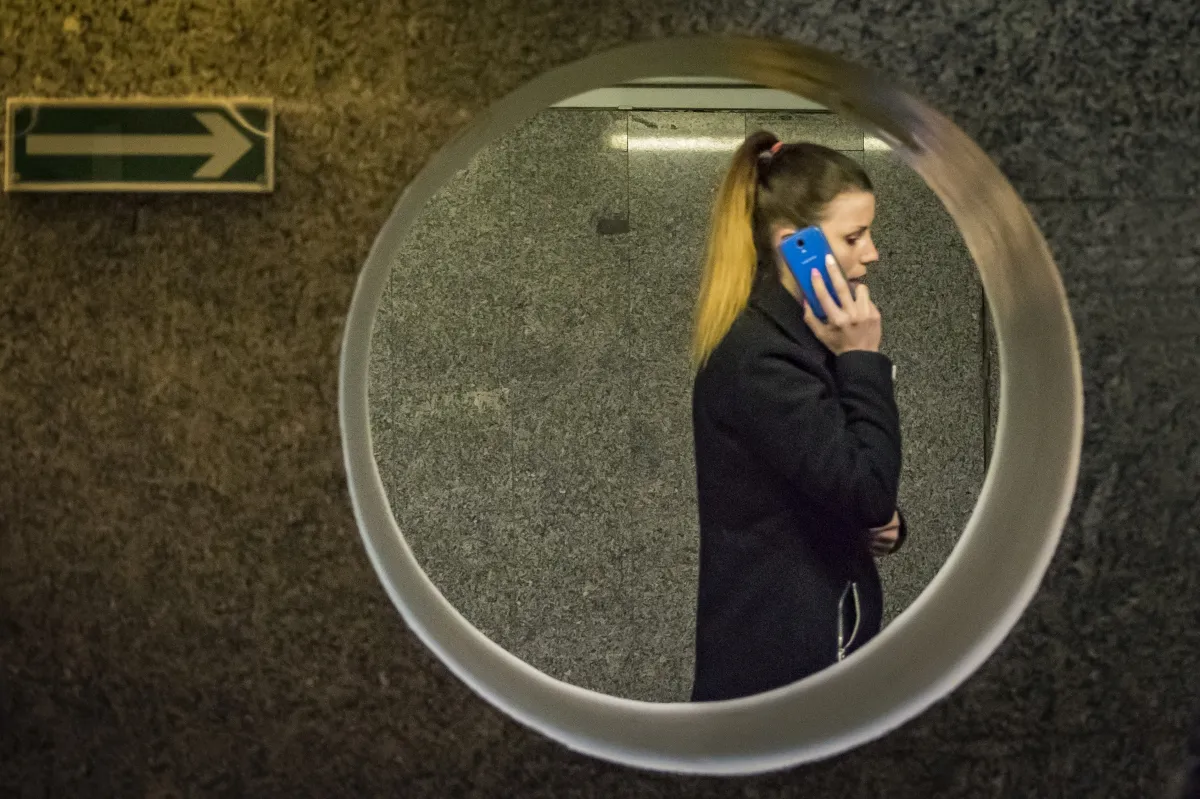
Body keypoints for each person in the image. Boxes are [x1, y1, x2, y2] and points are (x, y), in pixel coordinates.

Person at [688, 132, 909, 702]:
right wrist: (863, 358)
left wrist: (877, 519)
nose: (872, 253)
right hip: (779, 657)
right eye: (854, 236)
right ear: (795, 244)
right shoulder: (762, 356)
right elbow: (867, 489)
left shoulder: (803, 337)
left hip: (812, 641)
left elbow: (838, 473)